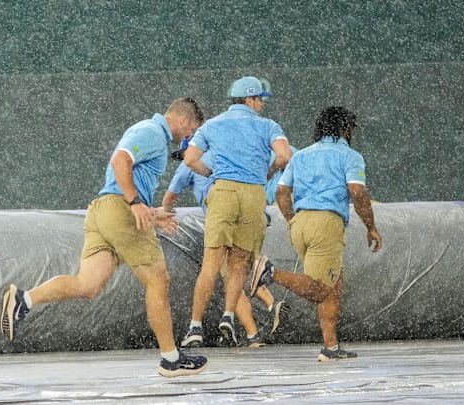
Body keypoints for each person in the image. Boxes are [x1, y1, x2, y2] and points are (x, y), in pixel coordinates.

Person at [0, 97, 209, 378]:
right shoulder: (152, 132)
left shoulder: (149, 132)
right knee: (158, 279)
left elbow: (124, 175)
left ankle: (24, 300)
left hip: (102, 211)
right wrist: (134, 203)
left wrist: (150, 211)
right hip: (119, 209)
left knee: (88, 285)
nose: (188, 138)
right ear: (184, 121)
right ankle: (170, 359)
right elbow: (120, 160)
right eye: (191, 131)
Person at [249, 106, 382, 361]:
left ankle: (330, 348)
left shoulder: (301, 156)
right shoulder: (350, 156)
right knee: (321, 289)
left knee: (333, 287)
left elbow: (281, 193)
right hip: (326, 223)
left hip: (300, 222)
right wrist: (371, 227)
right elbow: (357, 192)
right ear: (346, 129)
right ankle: (271, 273)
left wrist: (292, 222)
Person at [181, 76, 291, 347]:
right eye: (260, 99)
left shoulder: (212, 125)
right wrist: (268, 172)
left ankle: (195, 327)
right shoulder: (268, 126)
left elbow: (190, 159)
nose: (262, 105)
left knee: (211, 264)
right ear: (250, 99)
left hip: (223, 192)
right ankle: (228, 316)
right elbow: (285, 155)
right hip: (254, 193)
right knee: (240, 264)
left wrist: (211, 173)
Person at [162, 142, 290, 348]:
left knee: (227, 276)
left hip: (222, 219)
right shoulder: (230, 152)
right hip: (254, 215)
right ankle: (259, 320)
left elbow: (169, 198)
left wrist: (165, 216)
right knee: (239, 270)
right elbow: (282, 159)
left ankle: (240, 329)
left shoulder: (189, 164)